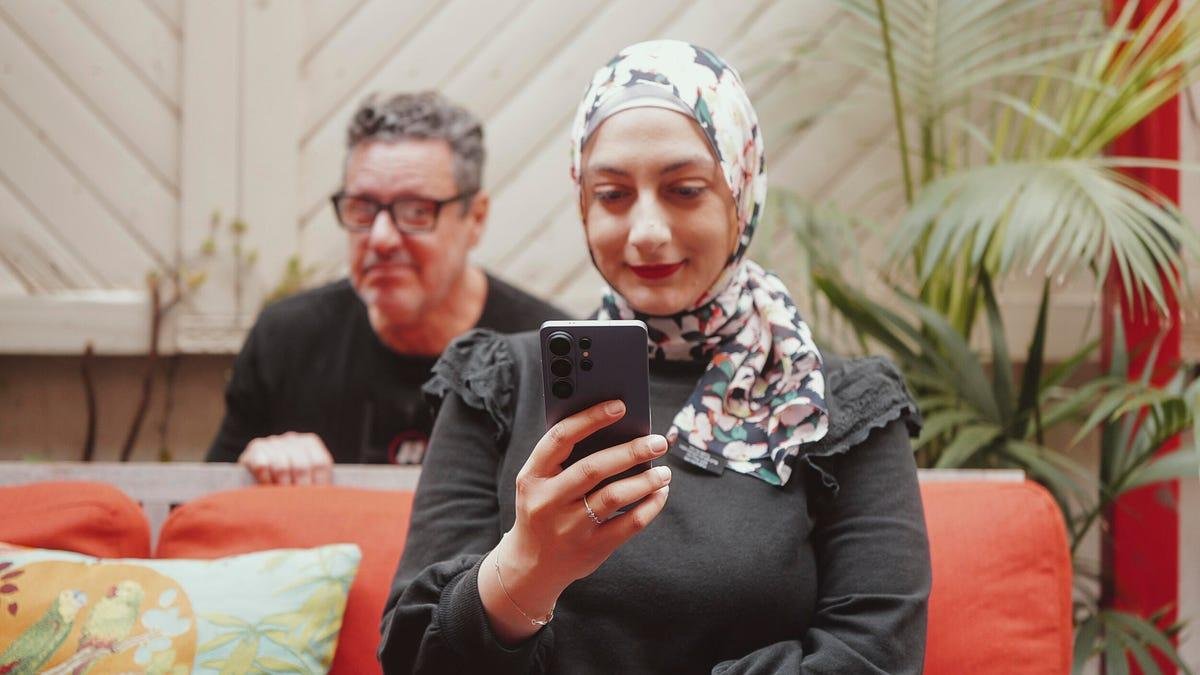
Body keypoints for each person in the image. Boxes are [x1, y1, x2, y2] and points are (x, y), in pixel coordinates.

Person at [379, 41, 931, 673]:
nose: (646, 231)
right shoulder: (499, 384)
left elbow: (874, 656)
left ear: (741, 188)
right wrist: (527, 569)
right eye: (612, 194)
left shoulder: (835, 405)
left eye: (685, 190)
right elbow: (413, 653)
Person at [206, 91, 570, 484]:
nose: (380, 238)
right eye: (362, 208)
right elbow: (203, 505)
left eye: (416, 211)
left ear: (476, 219)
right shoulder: (287, 341)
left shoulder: (548, 354)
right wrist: (253, 469)